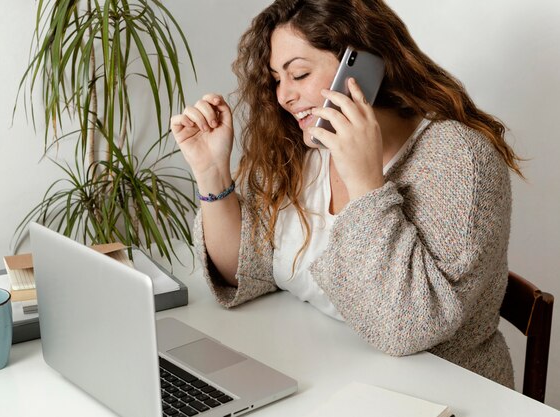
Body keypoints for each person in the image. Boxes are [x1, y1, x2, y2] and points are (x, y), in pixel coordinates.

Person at [170, 0, 521, 388]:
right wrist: (212, 172)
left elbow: (404, 330)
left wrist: (365, 183)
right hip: (323, 375)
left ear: (364, 65)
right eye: (276, 79)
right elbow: (244, 270)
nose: (283, 96)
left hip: (439, 394)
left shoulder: (460, 159)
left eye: (299, 74)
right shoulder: (302, 150)